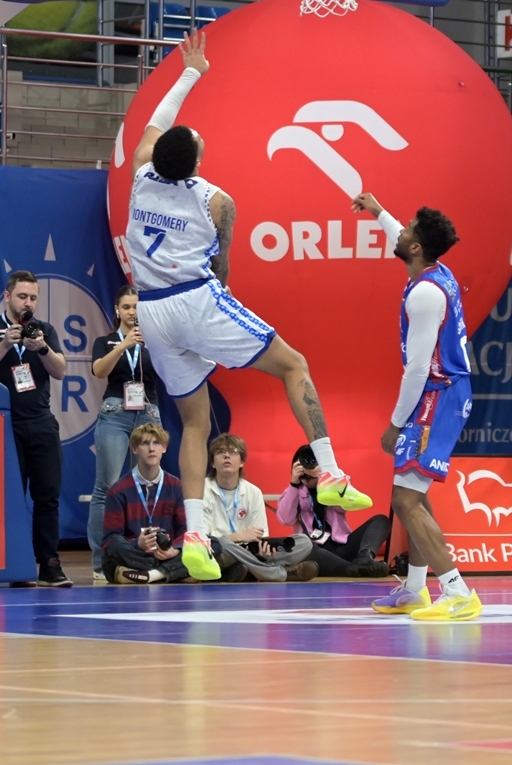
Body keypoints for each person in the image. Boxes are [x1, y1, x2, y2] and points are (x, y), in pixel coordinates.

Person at [125, 30, 369, 584]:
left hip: (152, 310)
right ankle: (331, 473)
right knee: (294, 365)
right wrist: (221, 302)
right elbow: (223, 269)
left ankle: (193, 534)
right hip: (194, 299)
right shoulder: (217, 201)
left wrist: (191, 72)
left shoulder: (140, 174)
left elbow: (156, 123)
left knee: (193, 422)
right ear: (195, 162)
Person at [350, 193, 481, 620]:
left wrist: (395, 423)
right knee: (411, 495)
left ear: (417, 247)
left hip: (439, 394)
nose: (400, 232)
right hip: (440, 392)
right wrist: (377, 211)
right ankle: (414, 589)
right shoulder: (434, 271)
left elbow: (418, 369)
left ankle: (459, 593)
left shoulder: (424, 294)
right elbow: (400, 235)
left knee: (406, 501)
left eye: (407, 230)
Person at [0, 271, 72, 587]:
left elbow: (61, 371)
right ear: (7, 296)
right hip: (5, 424)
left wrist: (42, 349)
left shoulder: (44, 331)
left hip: (40, 422)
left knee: (47, 497)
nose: (28, 303)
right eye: (22, 296)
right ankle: (16, 565)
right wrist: (3, 345)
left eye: (33, 298)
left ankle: (49, 564)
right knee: (10, 498)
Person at [87, 285, 165, 583]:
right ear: (117, 310)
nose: (133, 312)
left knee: (145, 486)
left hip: (148, 411)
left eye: (137, 307)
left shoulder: (154, 340)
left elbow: (168, 373)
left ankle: (141, 555)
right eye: (127, 307)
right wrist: (123, 345)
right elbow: (99, 371)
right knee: (107, 487)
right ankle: (100, 561)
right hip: (116, 411)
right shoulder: (105, 341)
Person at [203, 433, 316, 582]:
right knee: (223, 544)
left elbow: (260, 536)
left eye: (233, 452)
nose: (227, 456)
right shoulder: (202, 490)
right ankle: (278, 573)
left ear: (242, 462)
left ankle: (245, 571)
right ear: (212, 463)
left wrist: (264, 551)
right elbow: (203, 540)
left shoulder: (254, 492)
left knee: (304, 542)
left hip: (250, 551)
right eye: (221, 452)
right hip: (218, 551)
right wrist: (239, 537)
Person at [277, 445, 390, 577]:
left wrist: (327, 477)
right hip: (315, 551)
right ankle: (352, 569)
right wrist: (294, 484)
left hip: (342, 546)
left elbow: (347, 504)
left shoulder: (333, 486)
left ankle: (364, 558)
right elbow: (286, 519)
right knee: (305, 550)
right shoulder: (292, 491)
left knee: (381, 520)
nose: (307, 469)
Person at [100, 423, 188, 585]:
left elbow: (185, 530)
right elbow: (110, 539)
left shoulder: (177, 487)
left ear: (164, 448)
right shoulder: (118, 490)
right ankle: (173, 572)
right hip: (136, 554)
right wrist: (137, 544)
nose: (151, 449)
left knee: (211, 543)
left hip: (167, 553)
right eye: (145, 443)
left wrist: (174, 550)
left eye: (156, 443)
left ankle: (148, 574)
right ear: (135, 449)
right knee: (112, 548)